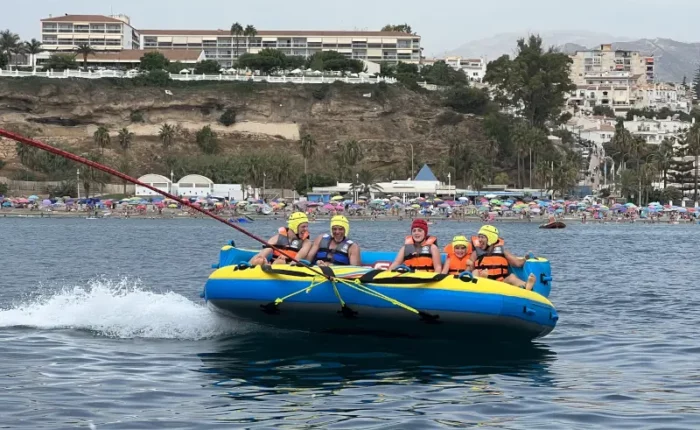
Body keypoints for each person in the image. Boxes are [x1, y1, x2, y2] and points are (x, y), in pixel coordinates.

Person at [467, 225, 536, 290]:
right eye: (479, 237)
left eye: (482, 237)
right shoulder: (476, 253)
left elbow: (517, 263)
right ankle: (482, 280)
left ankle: (526, 285)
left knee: (512, 277)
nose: (479, 240)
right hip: (482, 282)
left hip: (500, 283)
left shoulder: (502, 251)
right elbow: (469, 269)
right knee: (475, 272)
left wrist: (527, 258)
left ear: (491, 238)